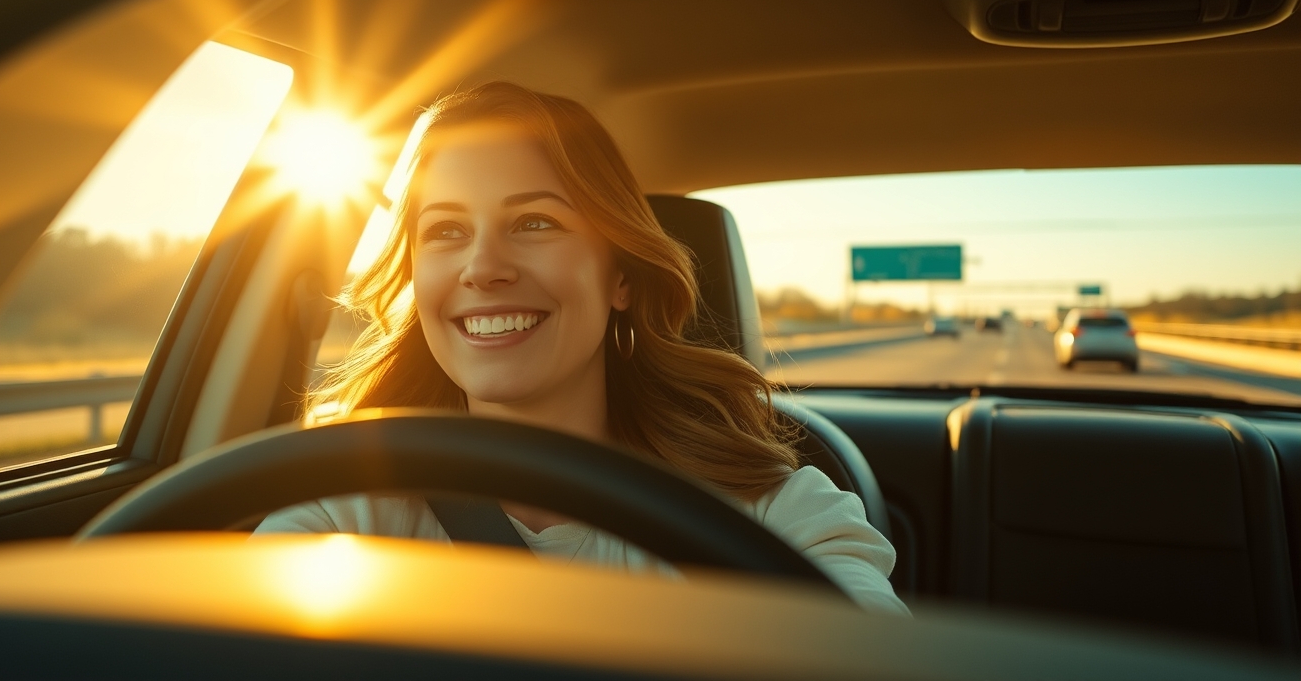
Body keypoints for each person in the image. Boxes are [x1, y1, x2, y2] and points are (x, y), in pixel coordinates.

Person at [256, 82, 909, 615]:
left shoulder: (765, 512)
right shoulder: (346, 500)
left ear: (620, 275)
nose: (482, 268)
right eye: (447, 229)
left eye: (534, 222)